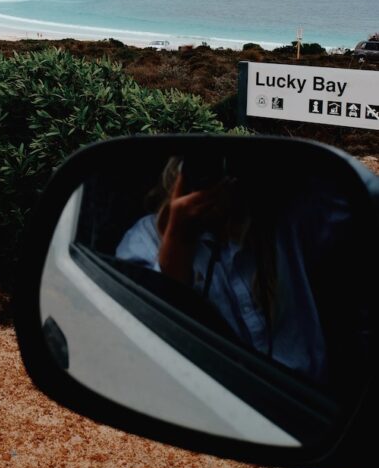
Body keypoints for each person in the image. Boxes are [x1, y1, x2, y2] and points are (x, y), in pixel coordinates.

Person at [115, 158, 336, 385]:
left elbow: (343, 207)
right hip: (214, 402)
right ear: (176, 171)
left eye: (222, 166)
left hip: (310, 398)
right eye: (200, 169)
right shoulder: (146, 238)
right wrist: (178, 238)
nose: (212, 180)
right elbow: (145, 338)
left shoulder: (281, 219)